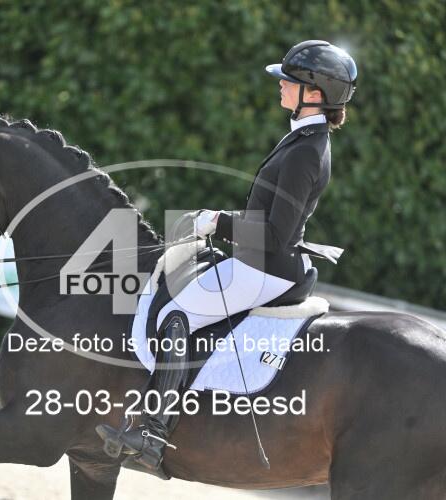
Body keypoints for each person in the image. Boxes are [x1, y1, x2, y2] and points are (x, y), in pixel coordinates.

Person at [97, 40, 357, 471]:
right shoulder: (304, 138)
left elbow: (276, 234)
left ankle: (153, 432)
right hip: (261, 259)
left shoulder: (306, 151)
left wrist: (219, 223)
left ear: (314, 94)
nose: (280, 85)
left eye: (288, 81)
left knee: (176, 313)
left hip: (268, 267)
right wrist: (217, 220)